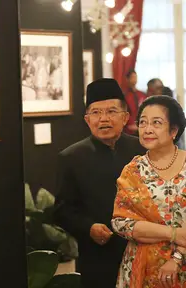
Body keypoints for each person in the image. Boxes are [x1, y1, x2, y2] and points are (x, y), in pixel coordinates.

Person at [111, 95, 186, 287]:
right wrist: (173, 233)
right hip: (146, 268)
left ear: (173, 130)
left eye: (156, 123)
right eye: (143, 123)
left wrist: (176, 258)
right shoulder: (132, 171)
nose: (148, 129)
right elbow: (121, 222)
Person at [54, 78, 146, 288]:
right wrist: (88, 227)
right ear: (87, 120)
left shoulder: (142, 151)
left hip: (143, 247)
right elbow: (62, 211)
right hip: (98, 254)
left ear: (125, 117)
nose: (103, 119)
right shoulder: (71, 157)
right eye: (96, 112)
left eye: (112, 111)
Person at [124, 69, 147, 135]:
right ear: (127, 79)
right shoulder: (124, 95)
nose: (134, 79)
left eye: (135, 77)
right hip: (129, 128)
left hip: (142, 125)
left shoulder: (142, 94)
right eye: (132, 77)